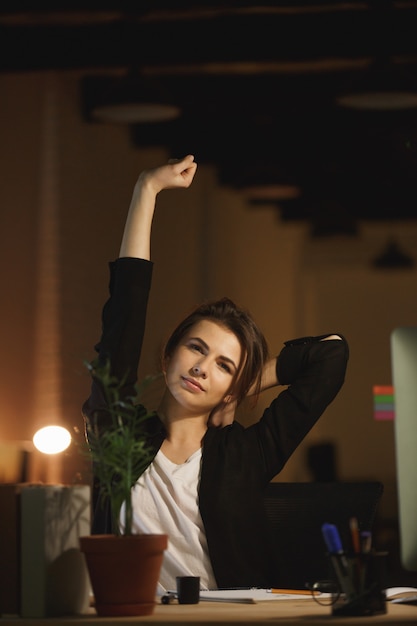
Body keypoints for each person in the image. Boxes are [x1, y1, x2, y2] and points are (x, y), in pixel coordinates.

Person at [82, 154, 349, 592]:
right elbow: (123, 319)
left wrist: (239, 389)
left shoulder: (247, 453)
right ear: (169, 356)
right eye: (196, 349)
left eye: (224, 365)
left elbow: (331, 357)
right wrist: (146, 190)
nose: (203, 368)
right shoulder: (119, 435)